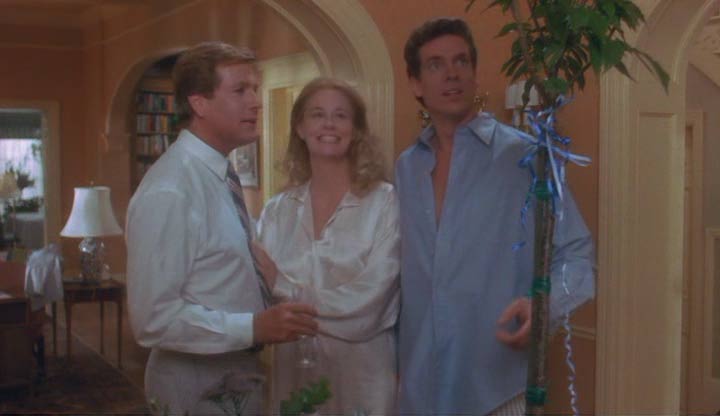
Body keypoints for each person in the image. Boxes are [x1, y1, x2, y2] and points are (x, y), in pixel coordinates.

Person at [395, 17, 595, 415]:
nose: (451, 73)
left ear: (474, 72)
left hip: (496, 388)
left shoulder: (525, 157)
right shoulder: (406, 167)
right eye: (435, 65)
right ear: (416, 83)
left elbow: (577, 255)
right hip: (419, 387)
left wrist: (546, 306)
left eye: (461, 61)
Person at [126, 41, 318, 415]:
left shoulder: (218, 175)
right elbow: (152, 319)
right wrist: (253, 328)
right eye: (240, 90)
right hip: (195, 383)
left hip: (235, 374)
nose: (256, 102)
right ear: (199, 103)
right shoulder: (171, 190)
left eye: (256, 89)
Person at [252, 77, 400, 414]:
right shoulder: (277, 211)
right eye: (317, 114)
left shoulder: (385, 203)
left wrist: (285, 289)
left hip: (362, 378)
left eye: (341, 115)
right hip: (294, 375)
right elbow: (258, 298)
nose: (329, 124)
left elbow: (372, 303)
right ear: (300, 128)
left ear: (356, 129)